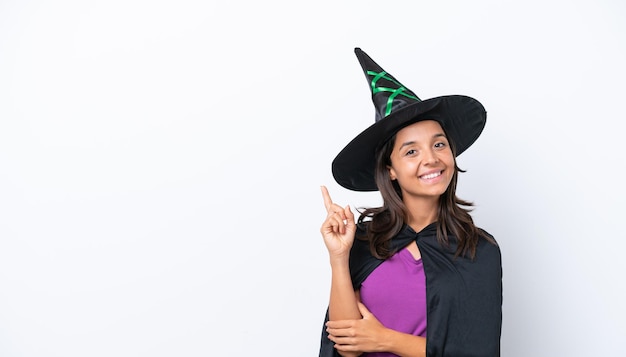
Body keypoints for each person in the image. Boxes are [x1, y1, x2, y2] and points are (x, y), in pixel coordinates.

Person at [318, 48, 502, 357]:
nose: (431, 159)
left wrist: (385, 340)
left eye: (439, 144)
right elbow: (346, 349)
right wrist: (339, 257)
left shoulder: (478, 250)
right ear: (390, 170)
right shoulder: (365, 241)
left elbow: (476, 351)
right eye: (411, 151)